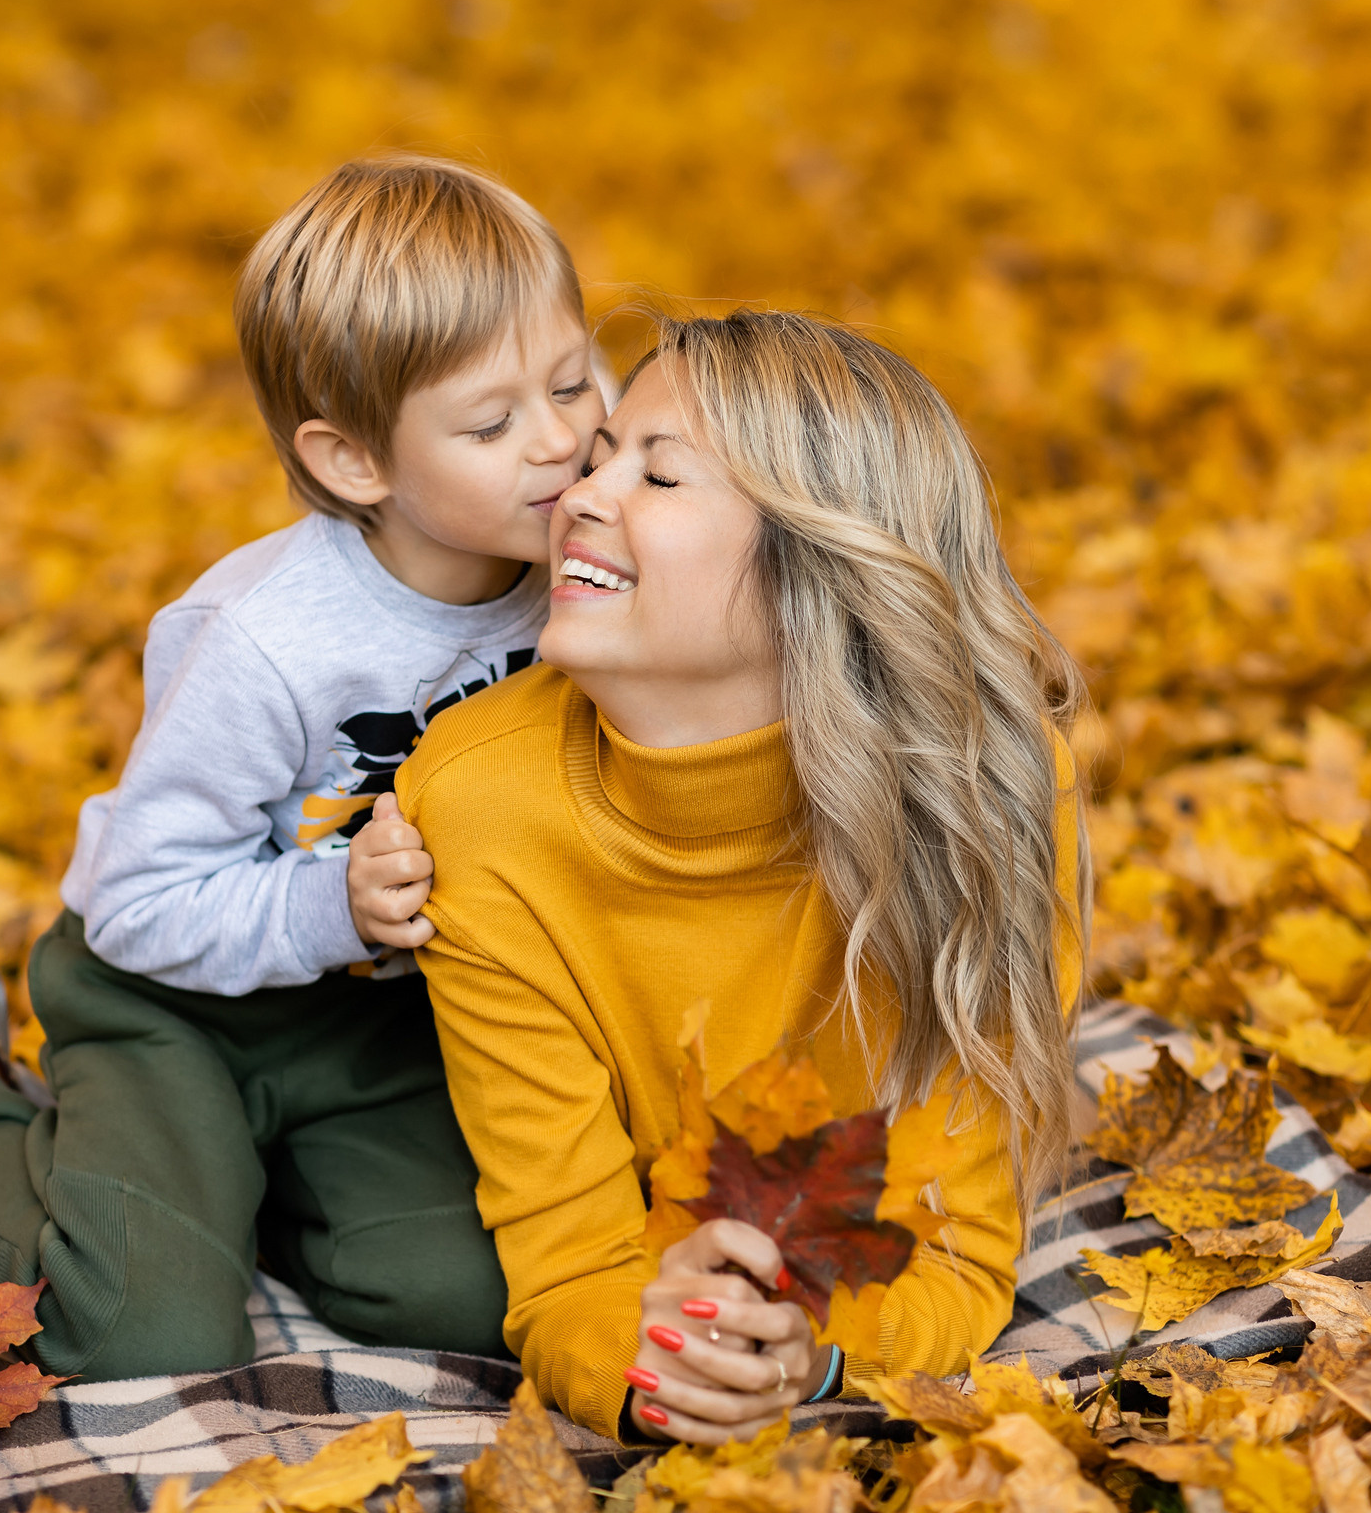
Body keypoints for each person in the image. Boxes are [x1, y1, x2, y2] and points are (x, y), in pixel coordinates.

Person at [0, 156, 607, 1381]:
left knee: (472, 1296)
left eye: (575, 380)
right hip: (176, 1002)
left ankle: (234, 1192)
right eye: (493, 422)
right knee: (143, 1327)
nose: (564, 438)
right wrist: (327, 902)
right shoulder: (263, 639)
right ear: (358, 462)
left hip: (378, 1023)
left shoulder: (584, 576)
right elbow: (140, 900)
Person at [386, 310, 1088, 1442]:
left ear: (823, 561)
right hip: (257, 1010)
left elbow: (958, 1252)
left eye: (658, 475)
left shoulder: (982, 790)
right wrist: (657, 1363)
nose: (581, 493)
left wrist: (802, 1362)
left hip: (787, 1281)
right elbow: (569, 1262)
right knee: (396, 1273)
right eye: (600, 451)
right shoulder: (477, 803)